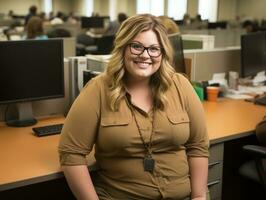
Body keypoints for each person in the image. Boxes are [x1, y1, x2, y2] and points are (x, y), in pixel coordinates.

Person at [58, 14, 209, 200]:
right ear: (123, 48)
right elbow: (71, 153)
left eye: (154, 49)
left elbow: (198, 146)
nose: (145, 55)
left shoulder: (181, 86)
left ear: (162, 53)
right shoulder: (98, 89)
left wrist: (199, 196)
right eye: (137, 46)